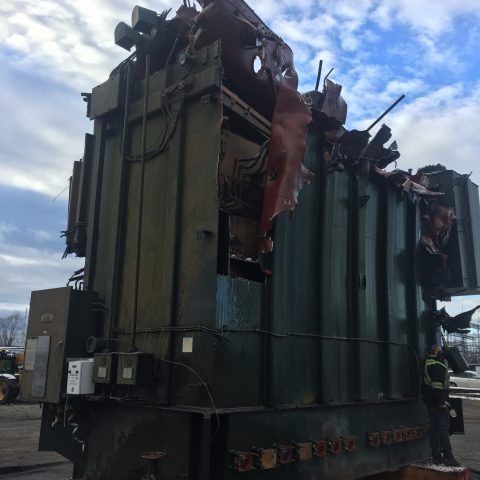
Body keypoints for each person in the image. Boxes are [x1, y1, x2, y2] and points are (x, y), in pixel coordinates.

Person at [422, 345, 460, 467]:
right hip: (439, 404)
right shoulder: (438, 366)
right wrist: (442, 402)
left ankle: (436, 457)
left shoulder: (428, 363)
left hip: (430, 403)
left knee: (433, 429)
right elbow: (437, 386)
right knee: (443, 429)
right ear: (437, 353)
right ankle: (448, 457)